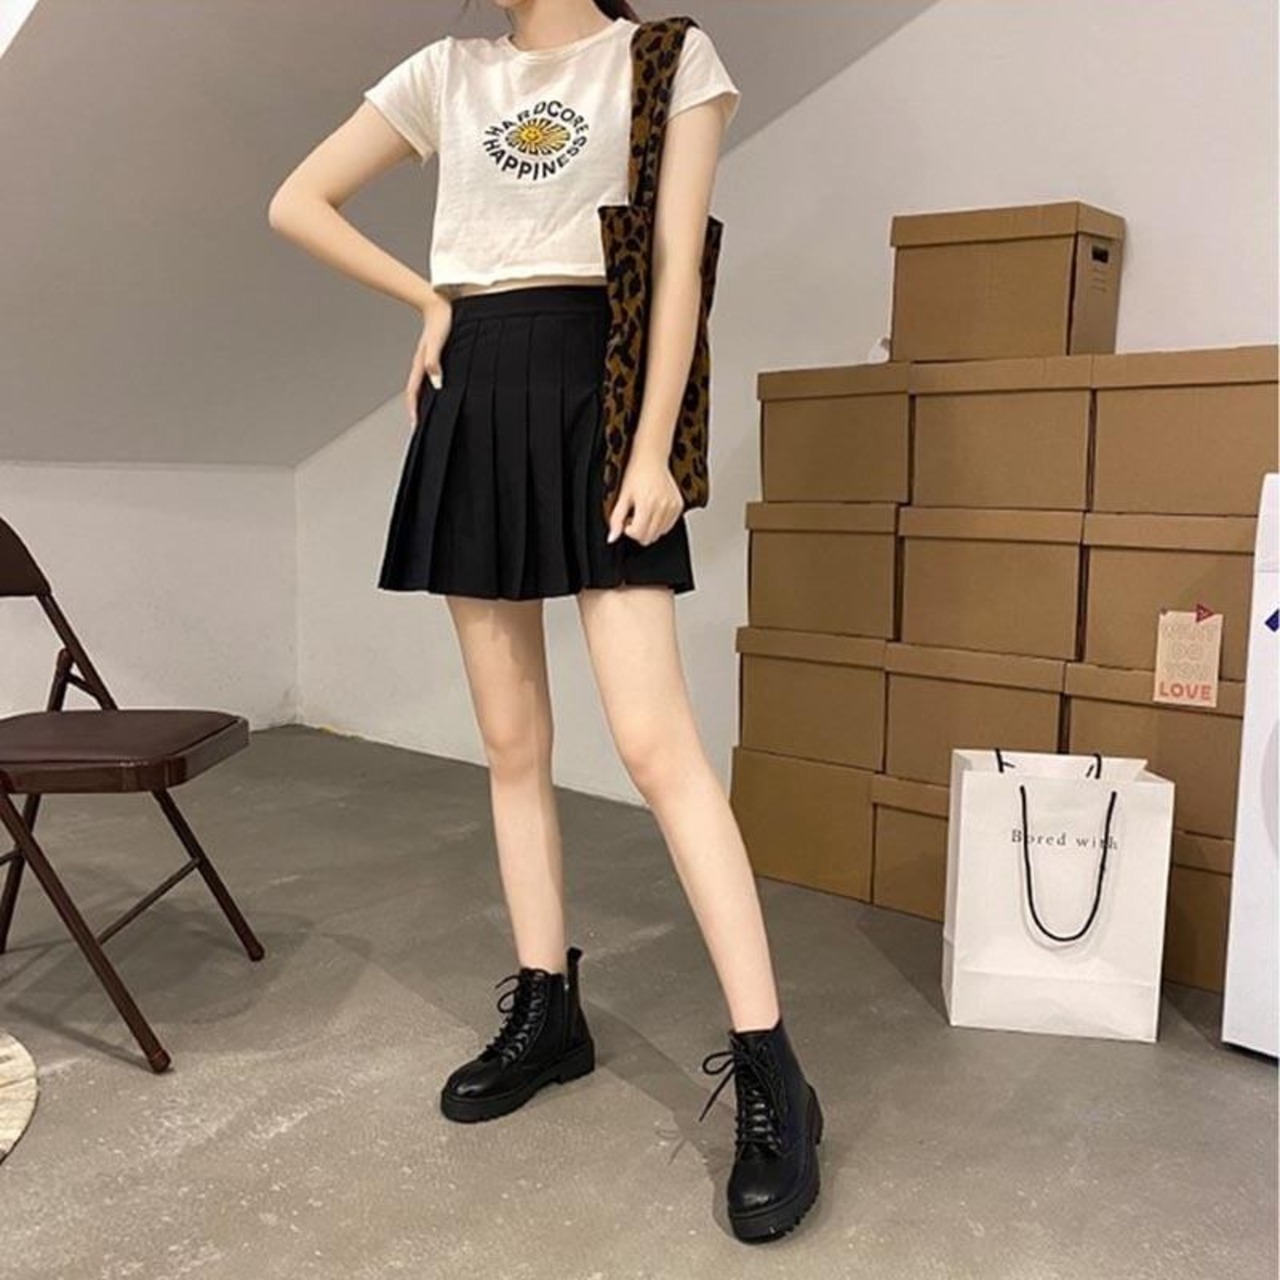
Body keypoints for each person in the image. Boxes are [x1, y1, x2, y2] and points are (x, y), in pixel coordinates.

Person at [267, 0, 823, 1243]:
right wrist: (428, 300)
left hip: (598, 387)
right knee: (511, 743)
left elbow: (674, 264)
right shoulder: (445, 71)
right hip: (477, 384)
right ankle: (546, 1005)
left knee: (655, 746)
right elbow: (296, 200)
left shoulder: (663, 57)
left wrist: (655, 446)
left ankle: (772, 1067)